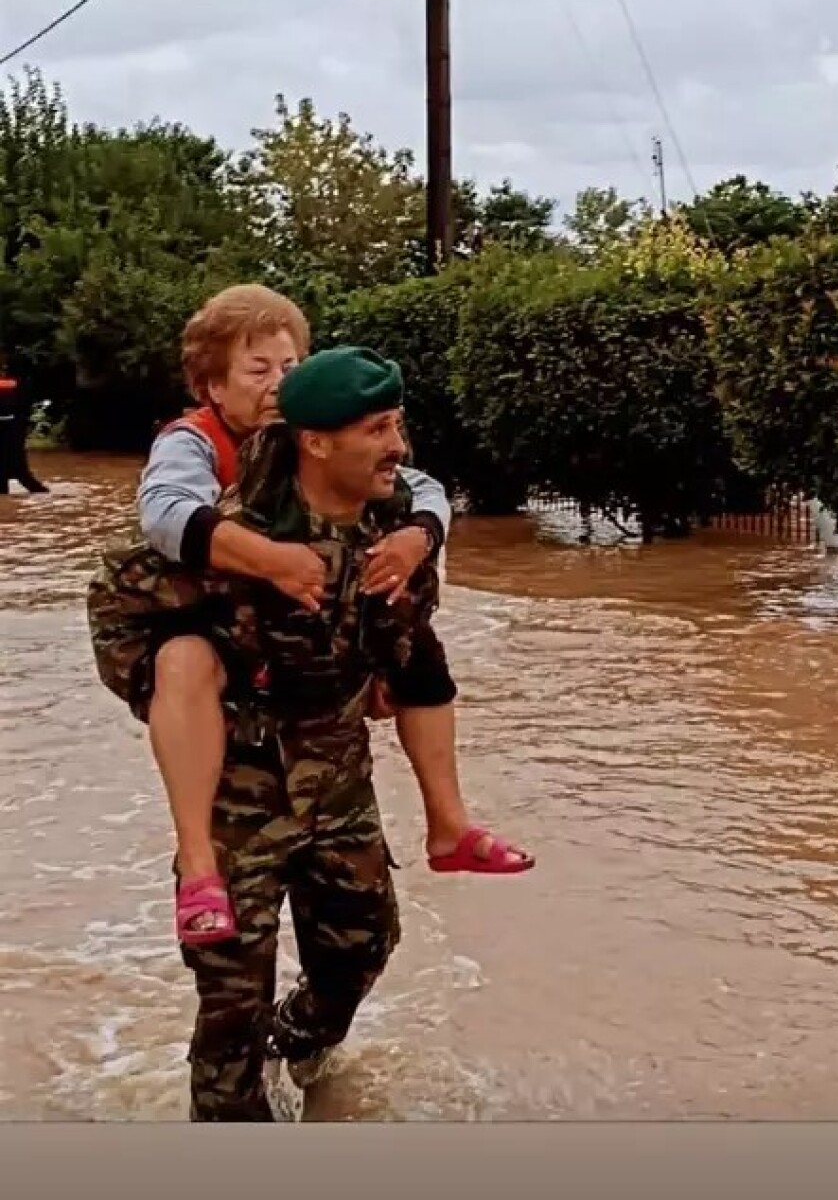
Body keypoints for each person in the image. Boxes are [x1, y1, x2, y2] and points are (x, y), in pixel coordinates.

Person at [89, 346, 501, 1119]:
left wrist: (382, 671)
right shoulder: (236, 538)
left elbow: (413, 647)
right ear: (317, 443)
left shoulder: (400, 537)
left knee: (362, 951)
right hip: (236, 799)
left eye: (398, 426)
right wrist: (166, 684)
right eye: (378, 429)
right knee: (230, 1007)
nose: (398, 447)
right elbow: (116, 602)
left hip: (339, 786)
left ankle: (299, 1044)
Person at [116, 285, 534, 944]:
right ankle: (199, 863)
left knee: (417, 643)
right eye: (258, 370)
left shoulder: (318, 441)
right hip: (205, 628)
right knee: (184, 658)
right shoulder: (193, 444)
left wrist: (417, 535)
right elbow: (165, 515)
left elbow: (420, 488)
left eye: (290, 367)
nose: (279, 383)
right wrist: (269, 557)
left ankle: (448, 823)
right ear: (212, 387)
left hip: (313, 675)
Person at [0, 364, 48, 495]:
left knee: (16, 472)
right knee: (20, 472)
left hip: (12, 430)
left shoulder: (16, 383)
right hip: (15, 429)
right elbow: (25, 407)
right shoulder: (19, 383)